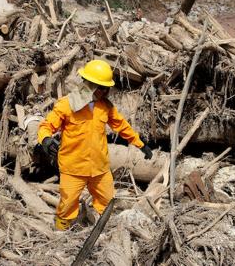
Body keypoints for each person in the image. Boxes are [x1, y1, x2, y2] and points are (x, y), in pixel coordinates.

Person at [38, 59, 153, 230]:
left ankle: (103, 234)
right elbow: (46, 126)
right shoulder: (66, 104)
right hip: (73, 168)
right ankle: (60, 235)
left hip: (99, 168)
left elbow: (121, 125)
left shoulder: (105, 107)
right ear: (88, 84)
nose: (104, 92)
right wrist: (46, 140)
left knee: (107, 203)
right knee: (67, 206)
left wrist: (140, 144)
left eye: (106, 88)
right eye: (101, 87)